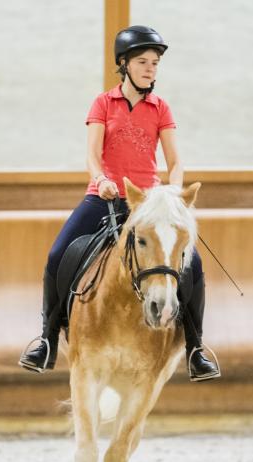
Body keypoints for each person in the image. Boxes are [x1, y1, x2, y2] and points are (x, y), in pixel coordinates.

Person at [18, 25, 221, 382]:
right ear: (124, 64)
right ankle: (47, 340)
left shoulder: (161, 108)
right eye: (143, 62)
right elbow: (92, 157)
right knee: (57, 254)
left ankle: (195, 348)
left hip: (148, 204)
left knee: (194, 265)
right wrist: (101, 180)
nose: (150, 69)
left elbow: (176, 162)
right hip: (105, 197)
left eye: (155, 64)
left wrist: (173, 193)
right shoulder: (103, 103)